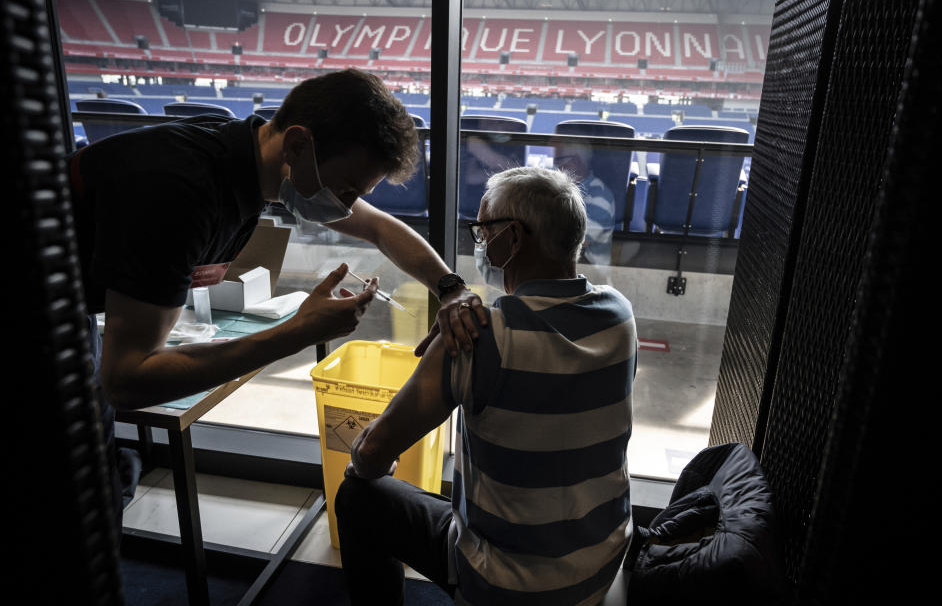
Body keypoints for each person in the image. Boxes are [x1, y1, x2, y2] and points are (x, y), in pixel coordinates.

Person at [68, 68, 485, 523]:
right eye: (345, 190)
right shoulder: (182, 191)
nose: (345, 209)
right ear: (298, 145)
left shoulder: (249, 156)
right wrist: (297, 333)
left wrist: (451, 290)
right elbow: (126, 382)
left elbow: (380, 228)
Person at [335, 166, 637, 605]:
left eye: (483, 230)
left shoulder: (477, 337)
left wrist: (362, 468)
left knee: (358, 496)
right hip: (603, 569)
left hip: (506, 587)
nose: (479, 242)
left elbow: (373, 451)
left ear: (512, 239)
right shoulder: (620, 315)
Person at [553, 142, 616, 270]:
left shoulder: (601, 197)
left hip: (591, 272)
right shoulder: (560, 190)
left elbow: (576, 242)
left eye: (558, 160)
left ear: (576, 161)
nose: (555, 166)